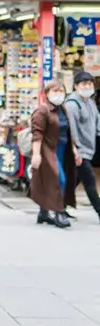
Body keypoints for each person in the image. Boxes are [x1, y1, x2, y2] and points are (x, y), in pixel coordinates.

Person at [30, 80, 80, 229]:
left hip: (63, 149)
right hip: (47, 149)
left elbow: (68, 131)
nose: (58, 95)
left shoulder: (62, 109)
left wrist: (74, 149)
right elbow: (37, 134)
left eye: (61, 91)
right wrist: (36, 154)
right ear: (46, 94)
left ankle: (43, 212)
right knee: (59, 179)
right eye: (55, 91)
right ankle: (59, 212)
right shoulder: (42, 111)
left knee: (54, 179)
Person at [65, 71, 100, 221]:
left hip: (88, 148)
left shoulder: (90, 102)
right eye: (84, 84)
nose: (87, 87)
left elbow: (97, 122)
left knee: (75, 180)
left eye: (90, 84)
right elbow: (70, 129)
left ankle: (57, 206)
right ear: (76, 86)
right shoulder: (72, 105)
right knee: (90, 181)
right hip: (79, 150)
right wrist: (75, 150)